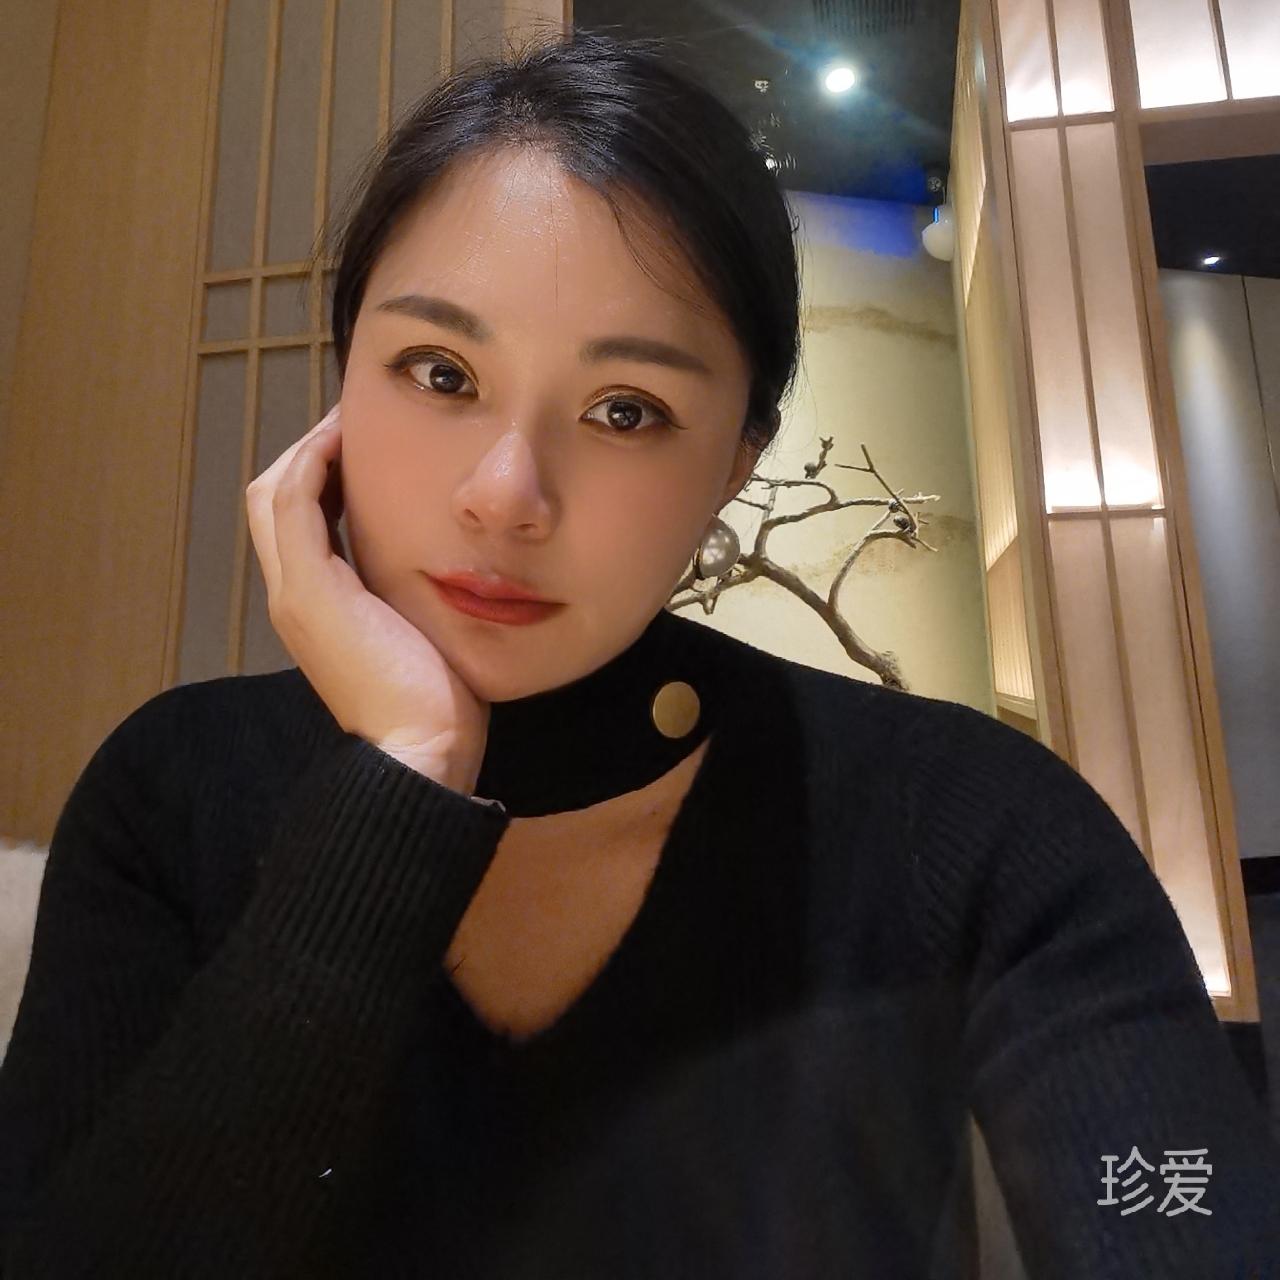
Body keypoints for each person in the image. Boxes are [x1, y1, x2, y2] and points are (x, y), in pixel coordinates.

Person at [1, 26, 1278, 1280]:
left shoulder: (965, 818)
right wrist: (396, 785)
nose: (506, 495)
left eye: (626, 410)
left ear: (734, 463)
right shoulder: (173, 791)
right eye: (438, 371)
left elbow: (1175, 1194)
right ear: (343, 383)